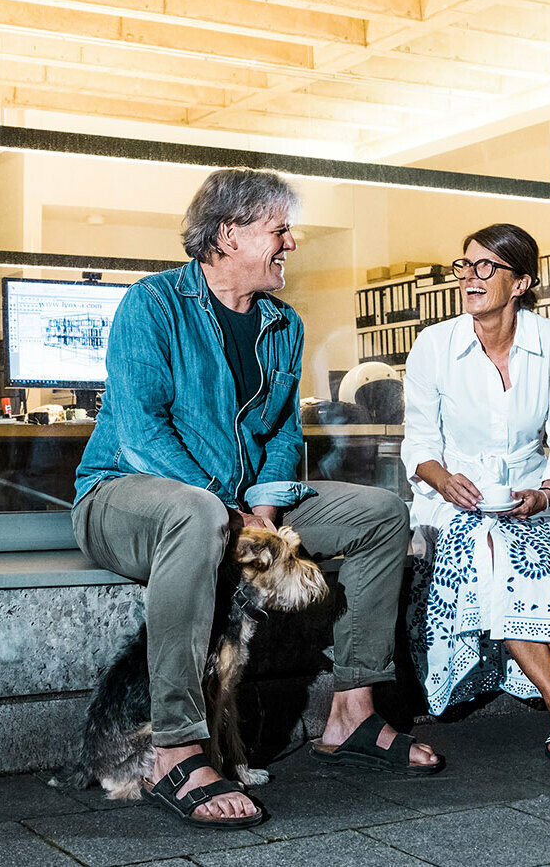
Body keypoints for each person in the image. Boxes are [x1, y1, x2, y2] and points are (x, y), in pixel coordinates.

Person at [73, 168, 442, 830]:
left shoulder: (282, 324)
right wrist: (231, 507)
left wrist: (266, 509)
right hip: (125, 495)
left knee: (380, 515)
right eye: (279, 229)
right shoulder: (152, 303)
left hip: (240, 505)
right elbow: (140, 431)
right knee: (200, 513)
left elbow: (280, 433)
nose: (291, 242)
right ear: (226, 234)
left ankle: (352, 710)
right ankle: (176, 745)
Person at [402, 223, 550, 774]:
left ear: (521, 281)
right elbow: (420, 445)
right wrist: (442, 480)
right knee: (497, 553)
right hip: (450, 502)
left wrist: (545, 491)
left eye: (486, 267)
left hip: (528, 498)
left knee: (509, 554)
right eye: (464, 265)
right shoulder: (435, 344)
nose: (469, 278)